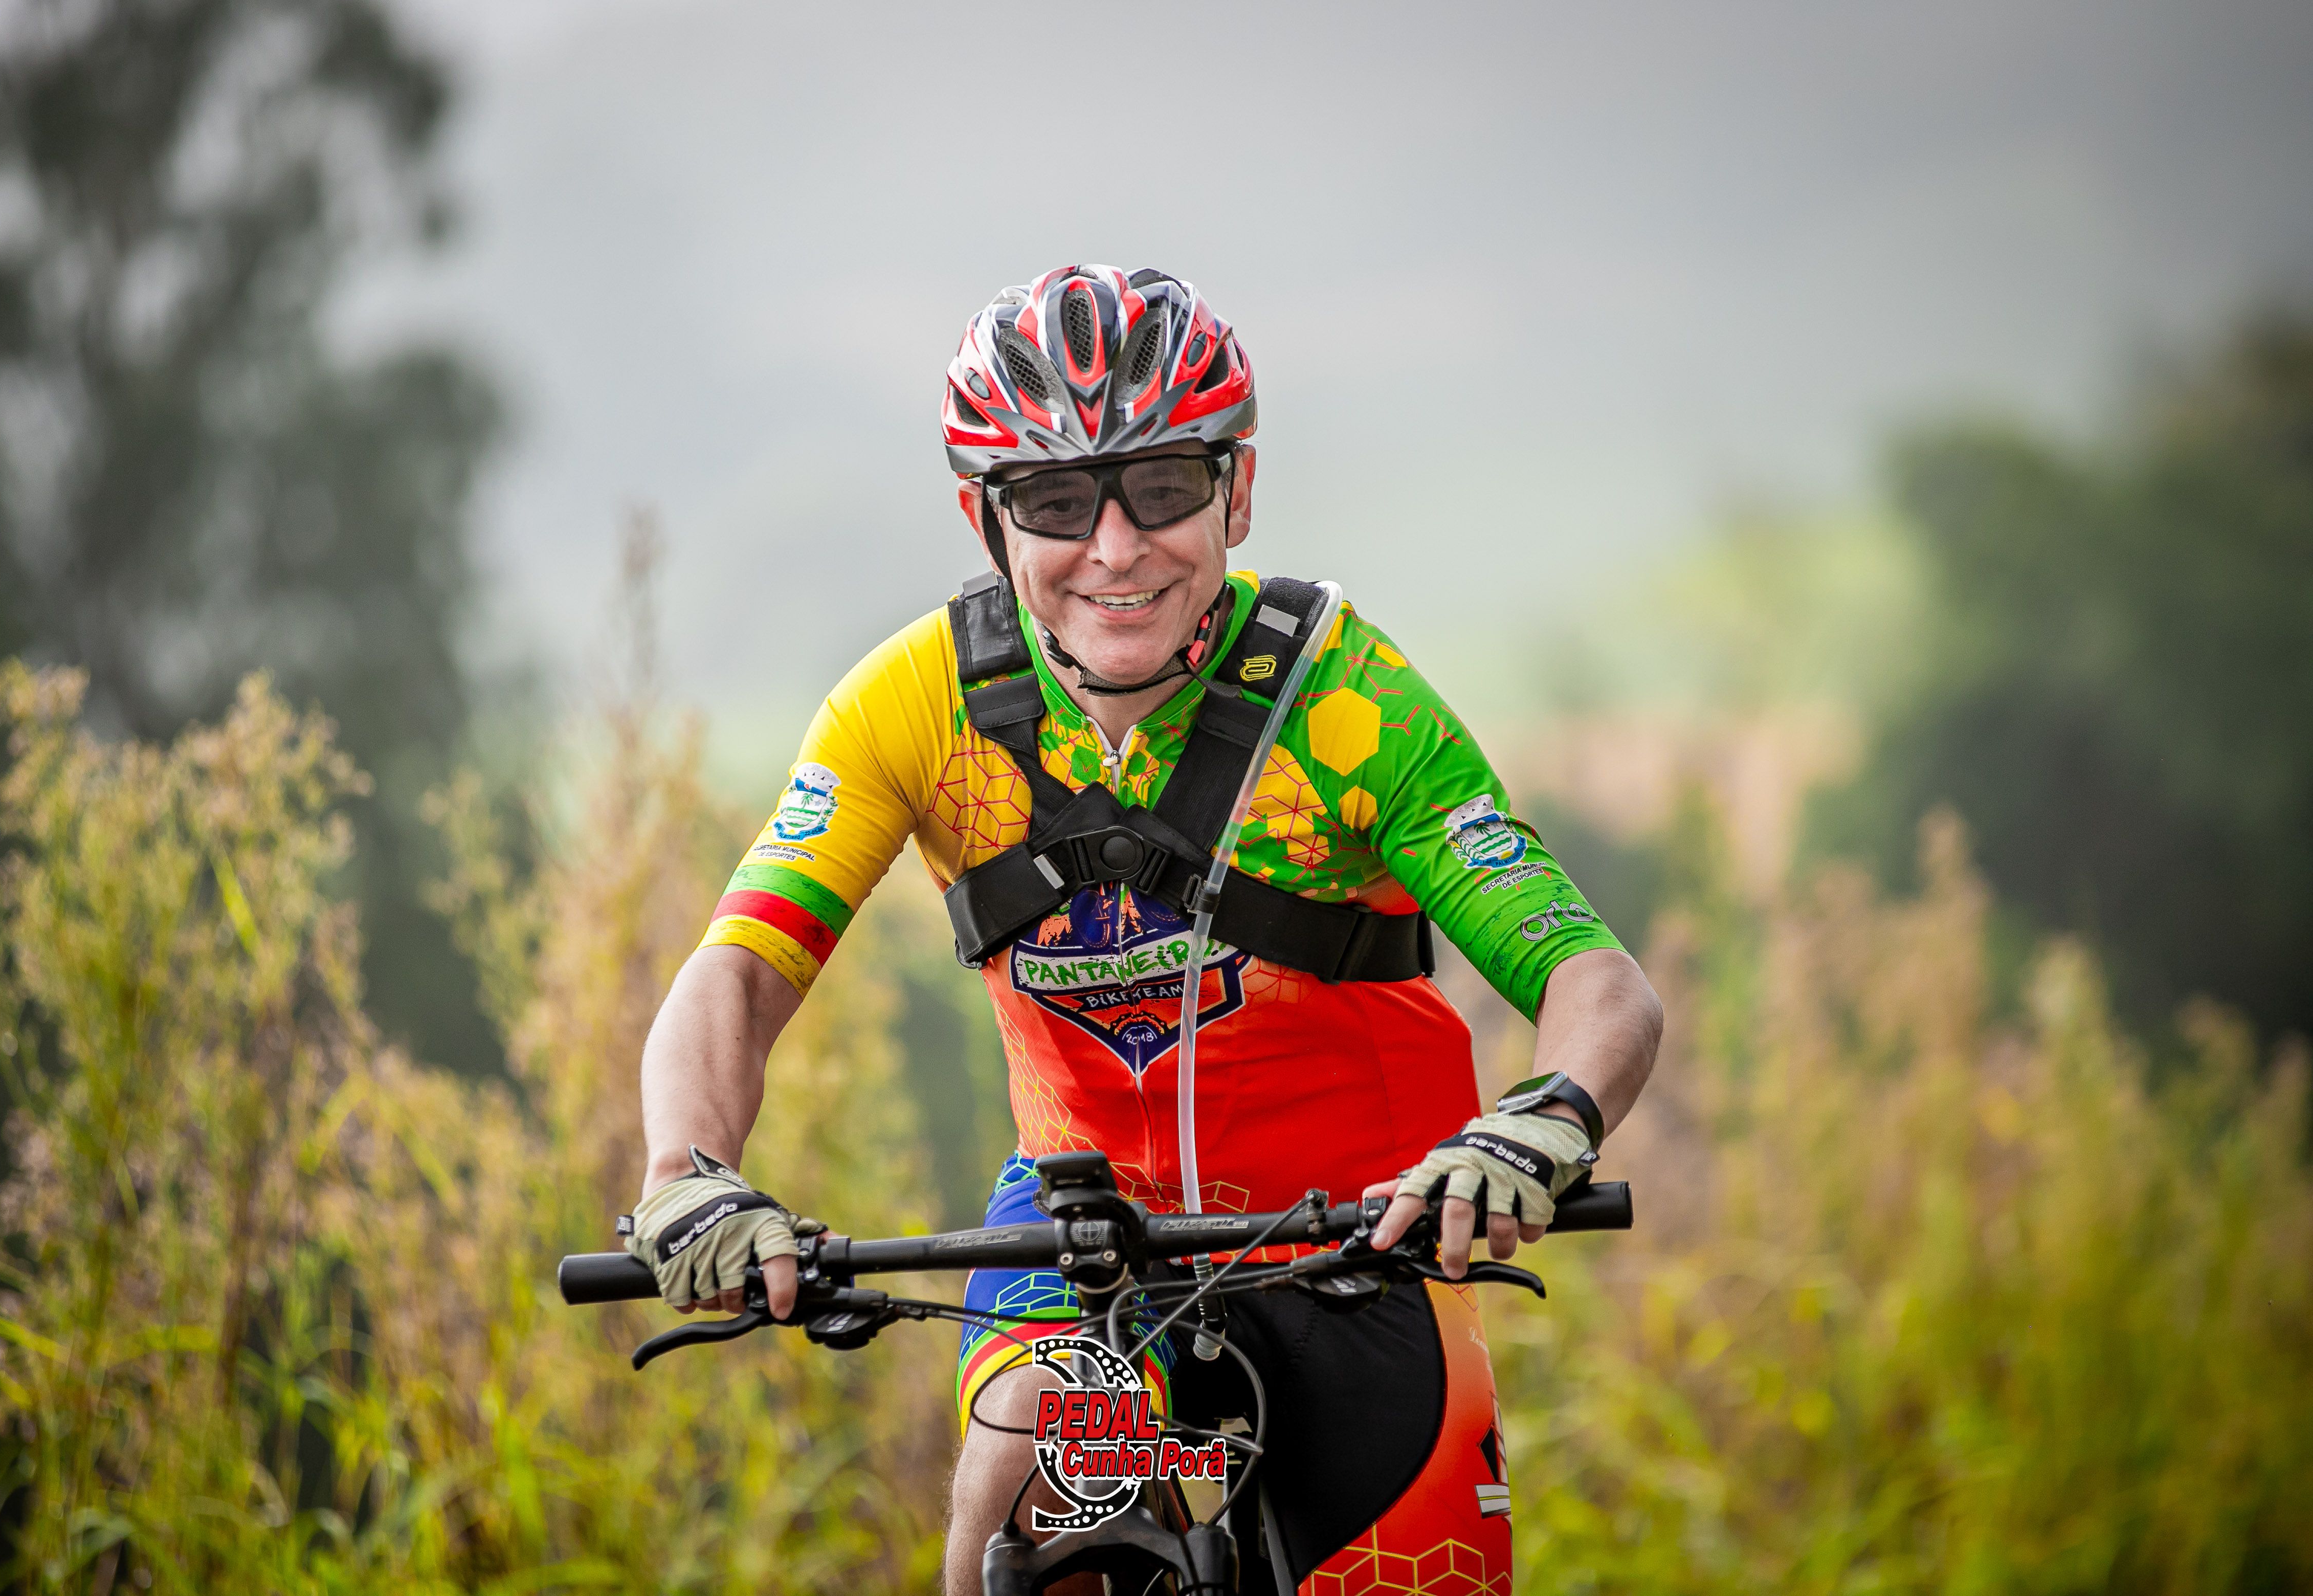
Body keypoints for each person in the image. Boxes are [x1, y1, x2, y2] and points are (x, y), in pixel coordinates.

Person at [628, 264, 1663, 1594]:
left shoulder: (1348, 700)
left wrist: (1540, 1124)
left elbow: (1597, 982)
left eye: (1163, 487)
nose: (1115, 550)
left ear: (1238, 489)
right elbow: (738, 973)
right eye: (1059, 502)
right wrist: (687, 1171)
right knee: (1023, 1476)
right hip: (1084, 1241)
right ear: (986, 518)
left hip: (1366, 1238)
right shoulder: (913, 708)